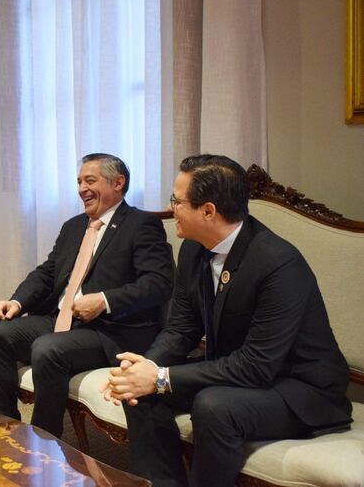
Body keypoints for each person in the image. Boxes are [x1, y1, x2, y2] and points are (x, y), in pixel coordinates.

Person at [102, 155, 353, 487]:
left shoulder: (278, 263)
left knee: (214, 406)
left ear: (208, 211)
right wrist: (146, 367)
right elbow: (181, 327)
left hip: (300, 388)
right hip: (241, 372)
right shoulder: (192, 249)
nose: (171, 207)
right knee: (140, 390)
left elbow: (257, 366)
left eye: (177, 201)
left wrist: (161, 377)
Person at [0, 153, 174, 438]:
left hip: (110, 330)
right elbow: (47, 273)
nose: (81, 188)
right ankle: (5, 429)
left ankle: (44, 442)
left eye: (90, 180)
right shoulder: (73, 226)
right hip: (62, 319)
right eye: (79, 181)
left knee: (47, 349)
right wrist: (17, 302)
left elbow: (158, 283)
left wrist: (105, 301)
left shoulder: (141, 225)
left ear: (118, 182)